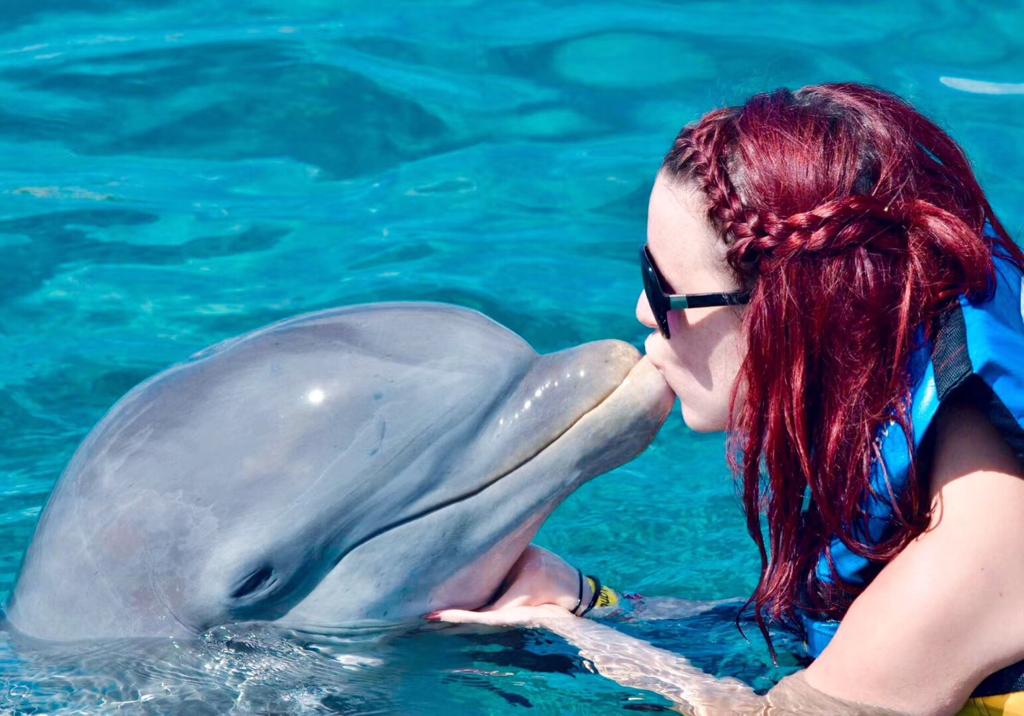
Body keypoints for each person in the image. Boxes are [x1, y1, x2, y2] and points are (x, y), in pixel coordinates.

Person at [428, 83, 1024, 715]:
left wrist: (566, 632)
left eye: (665, 288)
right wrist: (589, 601)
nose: (641, 311)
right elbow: (831, 639)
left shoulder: (968, 559)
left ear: (788, 316)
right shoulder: (933, 375)